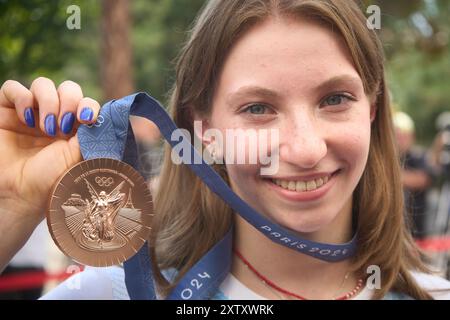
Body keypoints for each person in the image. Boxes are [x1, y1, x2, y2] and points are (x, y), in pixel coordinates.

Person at [1, 0, 450, 300]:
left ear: (372, 109)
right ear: (203, 129)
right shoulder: (112, 294)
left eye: (335, 99)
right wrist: (11, 208)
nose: (306, 149)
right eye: (258, 108)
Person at [393, 111, 433, 239]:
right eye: (396, 136)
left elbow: (423, 179)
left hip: (416, 229)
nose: (400, 140)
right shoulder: (388, 159)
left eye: (404, 136)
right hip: (393, 228)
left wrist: (392, 176)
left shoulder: (419, 156)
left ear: (412, 136)